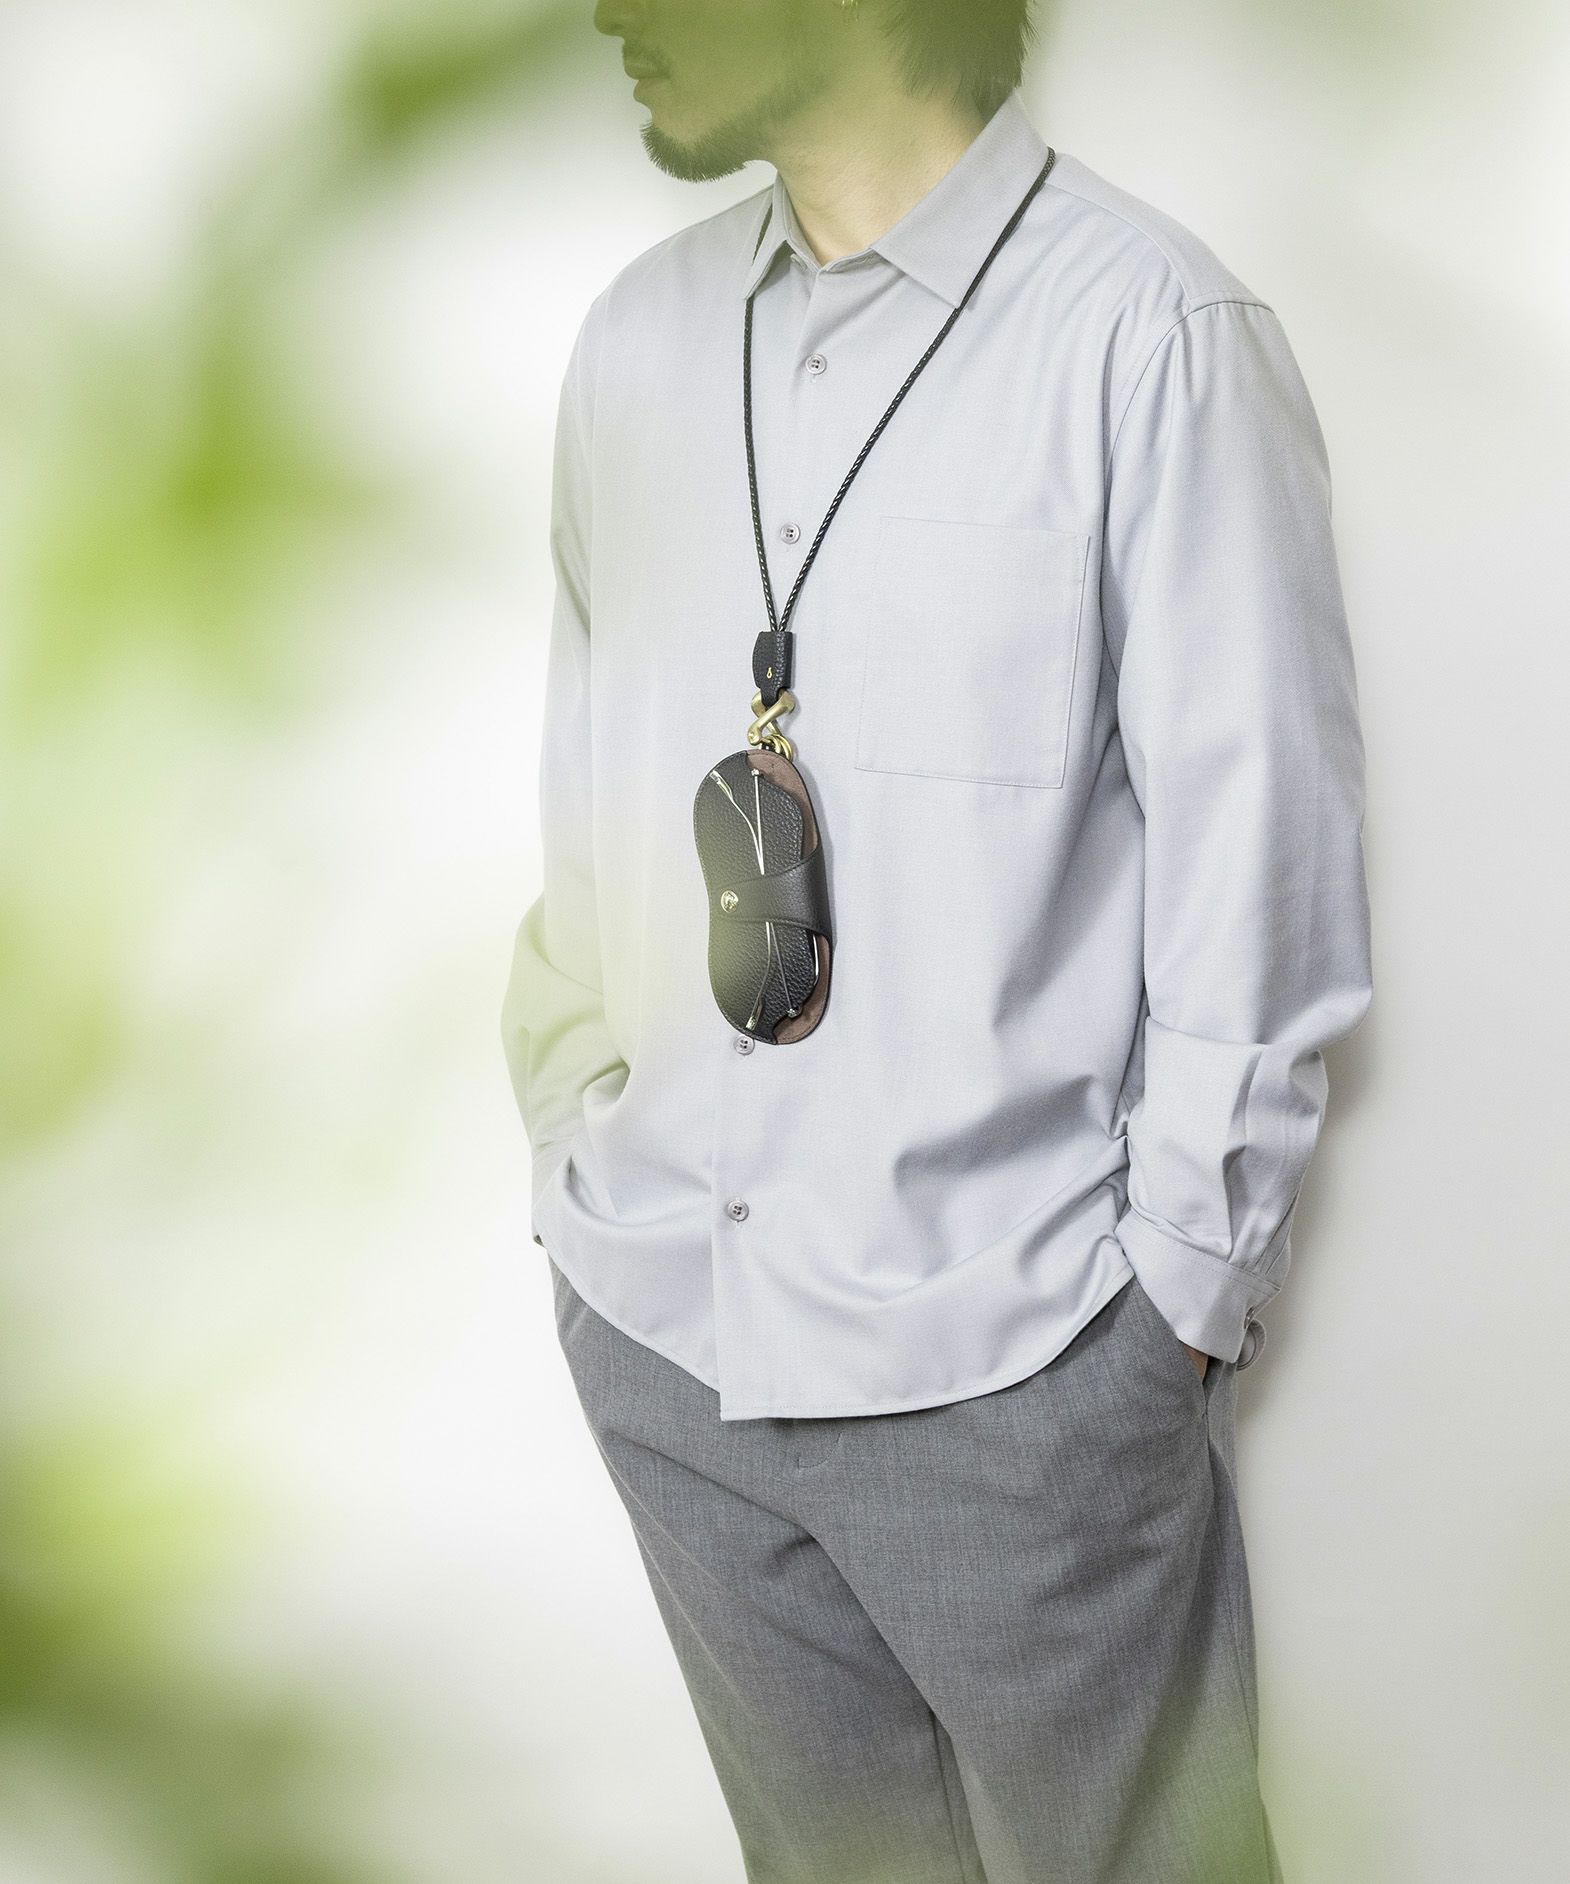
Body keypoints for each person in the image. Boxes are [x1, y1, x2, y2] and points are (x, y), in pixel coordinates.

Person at [500, 2, 1373, 1878]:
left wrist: (1157, 1322)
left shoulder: (1151, 334)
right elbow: (585, 808)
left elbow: (1262, 864)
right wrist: (582, 1158)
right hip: (671, 1330)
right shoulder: (635, 342)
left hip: (1019, 1369)